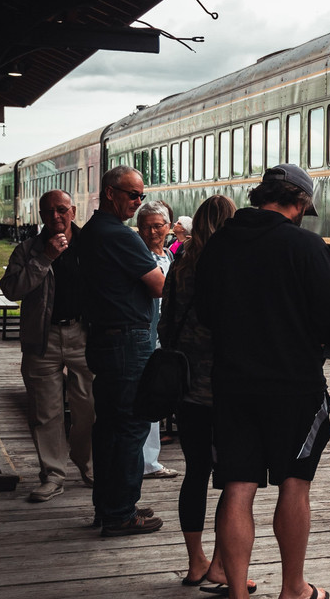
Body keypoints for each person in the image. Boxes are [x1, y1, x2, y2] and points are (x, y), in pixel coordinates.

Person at [195, 163, 330, 599]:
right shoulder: (305, 245)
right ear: (298, 202)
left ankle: (238, 591)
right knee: (293, 484)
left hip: (232, 384)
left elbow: (205, 314)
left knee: (237, 486)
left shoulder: (220, 243)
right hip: (293, 385)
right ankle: (293, 589)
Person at [75, 166, 166, 536]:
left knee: (110, 424)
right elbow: (159, 285)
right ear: (110, 193)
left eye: (142, 196)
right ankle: (121, 512)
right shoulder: (120, 236)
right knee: (131, 424)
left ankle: (108, 503)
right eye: (133, 195)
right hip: (128, 338)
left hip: (103, 336)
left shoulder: (91, 233)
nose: (138, 202)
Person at [156, 195, 241, 589]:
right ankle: (223, 565)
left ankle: (195, 562)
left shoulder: (179, 265)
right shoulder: (232, 266)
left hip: (186, 386)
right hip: (225, 387)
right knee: (231, 477)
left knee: (195, 472)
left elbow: (164, 324)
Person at [0, 189, 94, 503]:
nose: (55, 216)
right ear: (40, 215)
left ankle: (87, 464)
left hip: (84, 335)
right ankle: (53, 475)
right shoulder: (28, 250)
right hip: (42, 338)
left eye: (61, 209)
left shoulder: (91, 244)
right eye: (48, 211)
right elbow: (12, 289)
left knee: (89, 408)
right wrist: (46, 258)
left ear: (73, 211)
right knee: (45, 412)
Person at [137, 200, 179, 480]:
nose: (153, 232)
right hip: (146, 334)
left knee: (157, 394)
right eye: (146, 226)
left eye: (158, 226)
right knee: (146, 397)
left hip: (166, 335)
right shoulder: (139, 256)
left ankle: (149, 460)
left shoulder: (169, 256)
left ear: (168, 228)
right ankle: (145, 462)